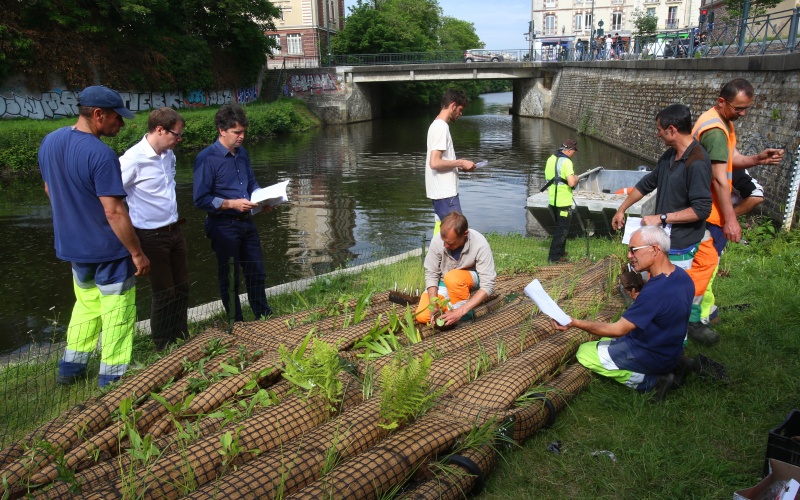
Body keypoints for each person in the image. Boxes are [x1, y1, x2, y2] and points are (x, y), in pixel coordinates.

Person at [38, 85, 149, 388]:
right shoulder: (101, 154)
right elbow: (114, 212)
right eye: (117, 117)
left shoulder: (49, 142)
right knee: (118, 313)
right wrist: (137, 252)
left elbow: (50, 190)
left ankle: (70, 370)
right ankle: (113, 380)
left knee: (86, 307)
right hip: (107, 250)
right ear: (98, 114)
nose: (121, 123)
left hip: (72, 247)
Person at [688, 78, 784, 343]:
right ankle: (688, 322)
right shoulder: (715, 131)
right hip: (706, 213)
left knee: (702, 268)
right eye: (738, 108)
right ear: (722, 102)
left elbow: (732, 160)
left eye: (746, 109)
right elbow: (720, 179)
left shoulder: (720, 122)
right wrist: (731, 220)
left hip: (707, 210)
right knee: (703, 267)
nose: (742, 114)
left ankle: (689, 318)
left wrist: (756, 159)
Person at [555, 226, 694, 401]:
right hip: (670, 350)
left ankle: (652, 381)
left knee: (585, 352)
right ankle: (678, 364)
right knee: (603, 342)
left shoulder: (655, 291)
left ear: (655, 249)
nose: (629, 256)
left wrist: (575, 323)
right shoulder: (682, 277)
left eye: (633, 250)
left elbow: (618, 329)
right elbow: (662, 311)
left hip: (651, 354)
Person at [194, 104, 273, 322]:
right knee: (230, 276)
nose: (242, 137)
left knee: (256, 270)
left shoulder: (242, 153)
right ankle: (235, 321)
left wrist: (261, 199)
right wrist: (230, 204)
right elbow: (201, 198)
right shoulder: (207, 158)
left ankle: (263, 315)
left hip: (247, 221)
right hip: (223, 225)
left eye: (243, 132)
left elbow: (251, 183)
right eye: (237, 132)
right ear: (222, 130)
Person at [612, 104, 712, 276]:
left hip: (680, 246)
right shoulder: (670, 155)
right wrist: (622, 209)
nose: (658, 134)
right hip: (662, 241)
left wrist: (661, 218)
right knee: (654, 287)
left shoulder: (697, 162)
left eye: (660, 130)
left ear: (672, 130)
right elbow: (646, 184)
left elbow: (702, 209)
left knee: (673, 293)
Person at [120, 107, 189, 351]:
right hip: (149, 236)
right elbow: (111, 196)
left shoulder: (169, 155)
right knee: (164, 292)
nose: (179, 140)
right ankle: (162, 344)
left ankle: (181, 337)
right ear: (159, 129)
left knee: (182, 287)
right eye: (176, 135)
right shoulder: (132, 159)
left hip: (174, 231)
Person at [414, 212, 496, 327]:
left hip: (468, 279)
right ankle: (450, 309)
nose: (445, 246)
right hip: (444, 281)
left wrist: (460, 311)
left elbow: (488, 285)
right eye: (444, 241)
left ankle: (465, 317)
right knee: (423, 316)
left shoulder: (480, 244)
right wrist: (434, 302)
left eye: (450, 243)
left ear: (465, 234)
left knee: (453, 278)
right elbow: (431, 273)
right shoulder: (438, 241)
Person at [425, 89, 476, 232]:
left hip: (442, 194)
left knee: (443, 234)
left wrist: (459, 167)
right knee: (458, 235)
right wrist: (460, 162)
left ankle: (435, 255)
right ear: (453, 106)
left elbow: (441, 161)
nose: (461, 113)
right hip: (446, 195)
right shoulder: (441, 127)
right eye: (460, 109)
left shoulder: (437, 125)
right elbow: (434, 163)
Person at [544, 139, 579, 263]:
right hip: (563, 201)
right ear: (569, 150)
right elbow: (571, 182)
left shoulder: (550, 159)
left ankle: (561, 252)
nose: (574, 154)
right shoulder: (567, 162)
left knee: (559, 226)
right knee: (562, 230)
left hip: (552, 199)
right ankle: (554, 257)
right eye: (574, 151)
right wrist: (576, 178)